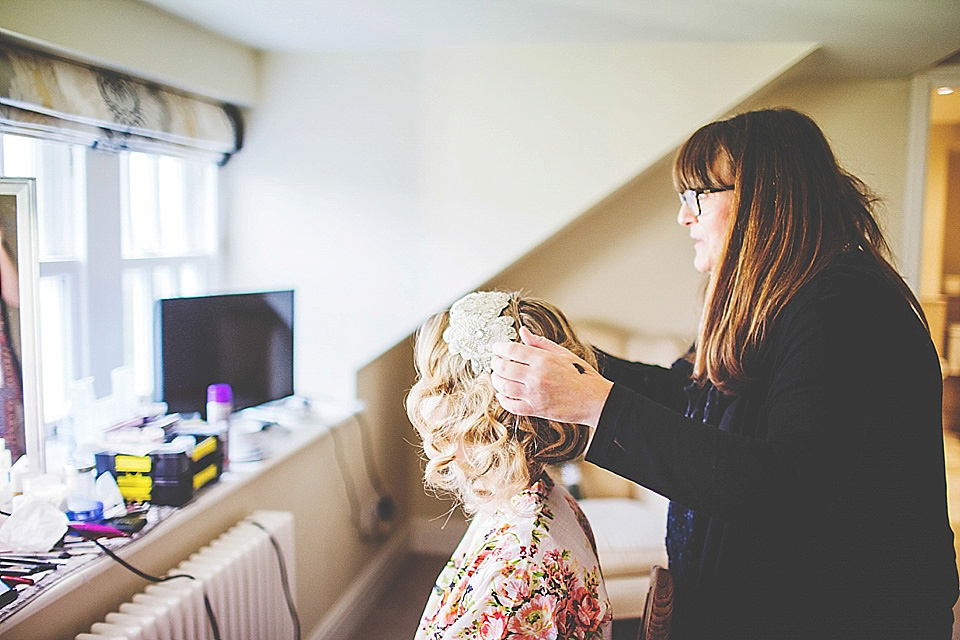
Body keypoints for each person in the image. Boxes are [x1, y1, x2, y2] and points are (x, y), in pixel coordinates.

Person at [489, 108, 959, 639]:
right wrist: (577, 362)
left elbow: (787, 486)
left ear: (766, 197)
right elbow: (688, 395)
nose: (683, 217)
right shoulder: (769, 298)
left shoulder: (844, 307)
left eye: (698, 197)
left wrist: (596, 405)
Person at [406, 290, 612, 640]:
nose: (425, 401)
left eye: (436, 386)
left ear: (473, 413)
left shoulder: (518, 578)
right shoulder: (538, 497)